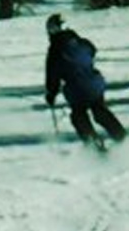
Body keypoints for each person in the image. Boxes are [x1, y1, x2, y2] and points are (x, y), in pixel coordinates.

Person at [44, 14, 125, 145]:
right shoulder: (82, 42)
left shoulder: (55, 51)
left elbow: (53, 75)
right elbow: (92, 50)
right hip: (95, 83)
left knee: (78, 115)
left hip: (76, 89)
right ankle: (121, 136)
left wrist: (51, 94)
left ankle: (93, 143)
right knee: (99, 110)